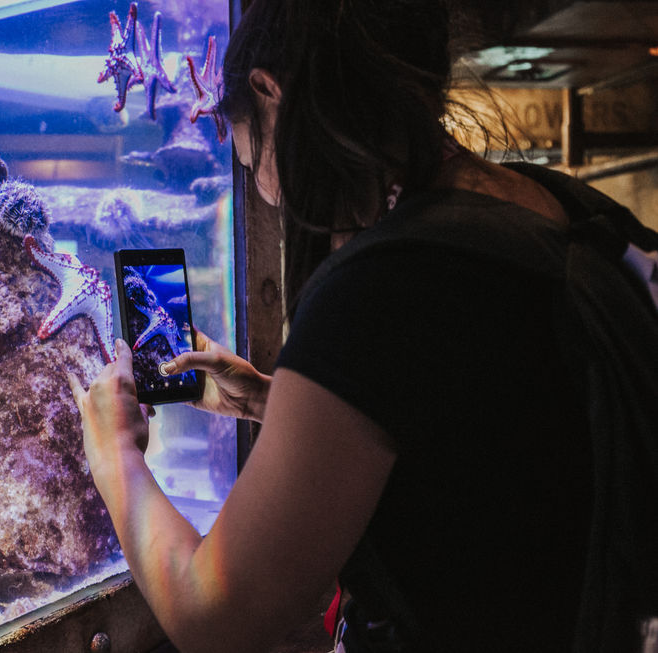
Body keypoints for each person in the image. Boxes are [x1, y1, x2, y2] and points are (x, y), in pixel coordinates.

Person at [69, 1, 658, 651]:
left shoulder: (382, 285)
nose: (263, 191)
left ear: (268, 94)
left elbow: (213, 615)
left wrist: (116, 456)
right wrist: (278, 402)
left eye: (250, 160)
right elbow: (483, 433)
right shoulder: (559, 208)